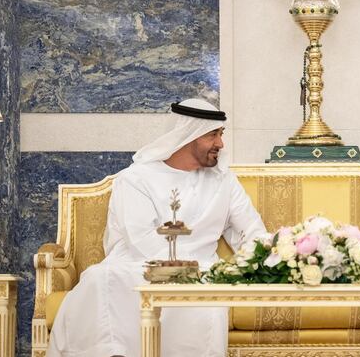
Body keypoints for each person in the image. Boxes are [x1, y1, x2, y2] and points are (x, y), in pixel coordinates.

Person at [48, 99, 267, 357]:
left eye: (220, 134)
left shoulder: (224, 181)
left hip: (202, 269)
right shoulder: (136, 178)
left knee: (206, 288)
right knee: (99, 279)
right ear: (189, 136)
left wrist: (280, 257)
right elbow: (141, 240)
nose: (220, 144)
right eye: (213, 135)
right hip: (138, 266)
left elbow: (251, 231)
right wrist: (181, 273)